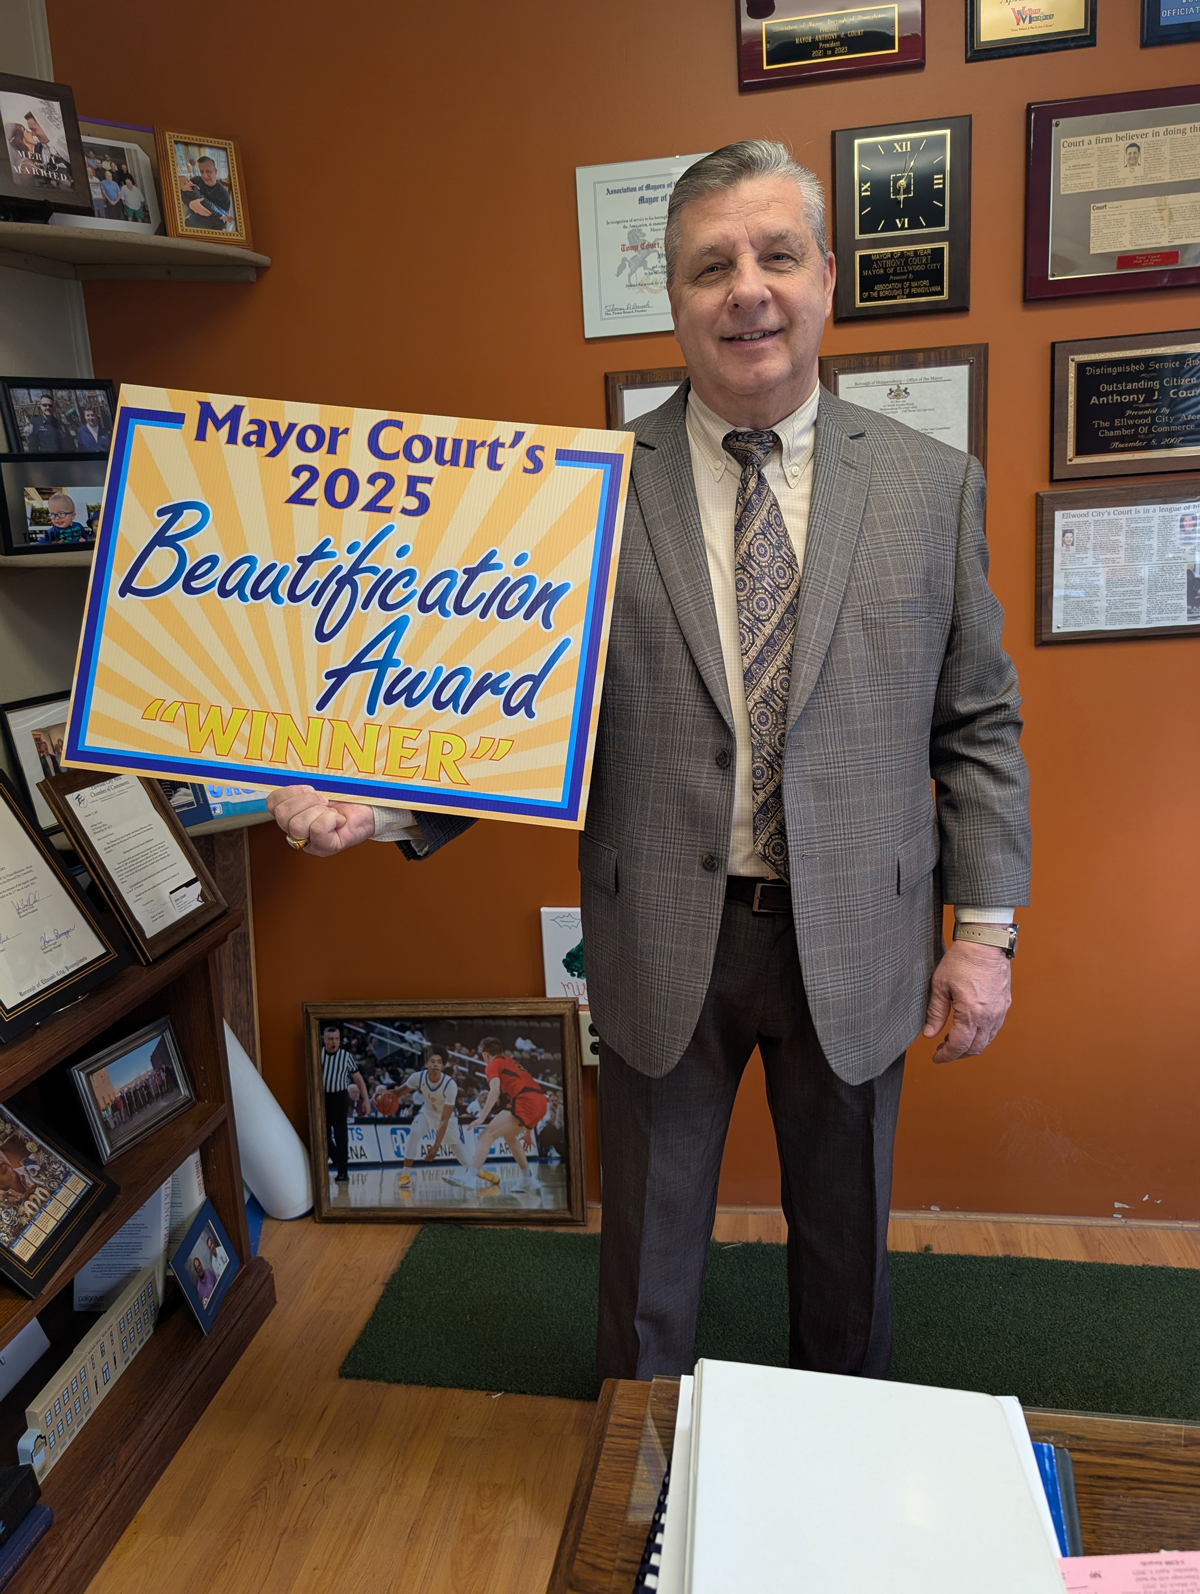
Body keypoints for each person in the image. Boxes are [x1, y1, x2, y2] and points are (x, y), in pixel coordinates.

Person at [267, 139, 1030, 1383]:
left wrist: (985, 933)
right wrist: (385, 807)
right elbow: (508, 713)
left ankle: (834, 1456)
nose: (748, 290)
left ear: (827, 278)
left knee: (849, 1257)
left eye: (777, 255)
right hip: (667, 932)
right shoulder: (579, 499)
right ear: (671, 299)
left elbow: (979, 724)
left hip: (863, 935)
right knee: (647, 1267)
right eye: (710, 266)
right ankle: (637, 1470)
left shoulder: (931, 487)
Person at [444, 1038, 547, 1192]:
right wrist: (528, 1132)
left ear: (485, 1055)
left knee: (486, 1134)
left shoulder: (492, 1064)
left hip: (526, 1101)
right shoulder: (510, 1061)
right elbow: (529, 1090)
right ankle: (528, 1179)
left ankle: (470, 1178)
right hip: (541, 1102)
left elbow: (495, 1091)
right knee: (510, 1137)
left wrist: (482, 1117)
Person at [396, 1049, 499, 1188]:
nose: (435, 1064)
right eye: (432, 1061)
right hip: (427, 1113)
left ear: (443, 1066)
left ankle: (484, 1174)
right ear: (426, 1064)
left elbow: (444, 1119)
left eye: (439, 1062)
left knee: (466, 1161)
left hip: (448, 1119)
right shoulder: (417, 1077)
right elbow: (398, 1093)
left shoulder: (449, 1085)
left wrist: (436, 1146)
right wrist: (385, 1095)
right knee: (414, 1133)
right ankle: (405, 1175)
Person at [320, 1023, 367, 1183]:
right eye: (330, 1039)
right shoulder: (318, 1055)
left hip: (340, 1098)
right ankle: (339, 1163)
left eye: (336, 1039)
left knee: (341, 1135)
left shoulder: (346, 1056)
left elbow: (358, 1079)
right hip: (323, 1099)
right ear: (324, 1039)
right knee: (324, 1136)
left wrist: (366, 1100)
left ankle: (343, 1171)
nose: (334, 1042)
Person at [180, 154, 232, 231]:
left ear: (215, 171)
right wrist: (190, 203)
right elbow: (180, 191)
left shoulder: (224, 194)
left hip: (210, 228)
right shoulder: (195, 181)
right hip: (191, 222)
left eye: (208, 171)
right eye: (201, 172)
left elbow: (222, 221)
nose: (204, 176)